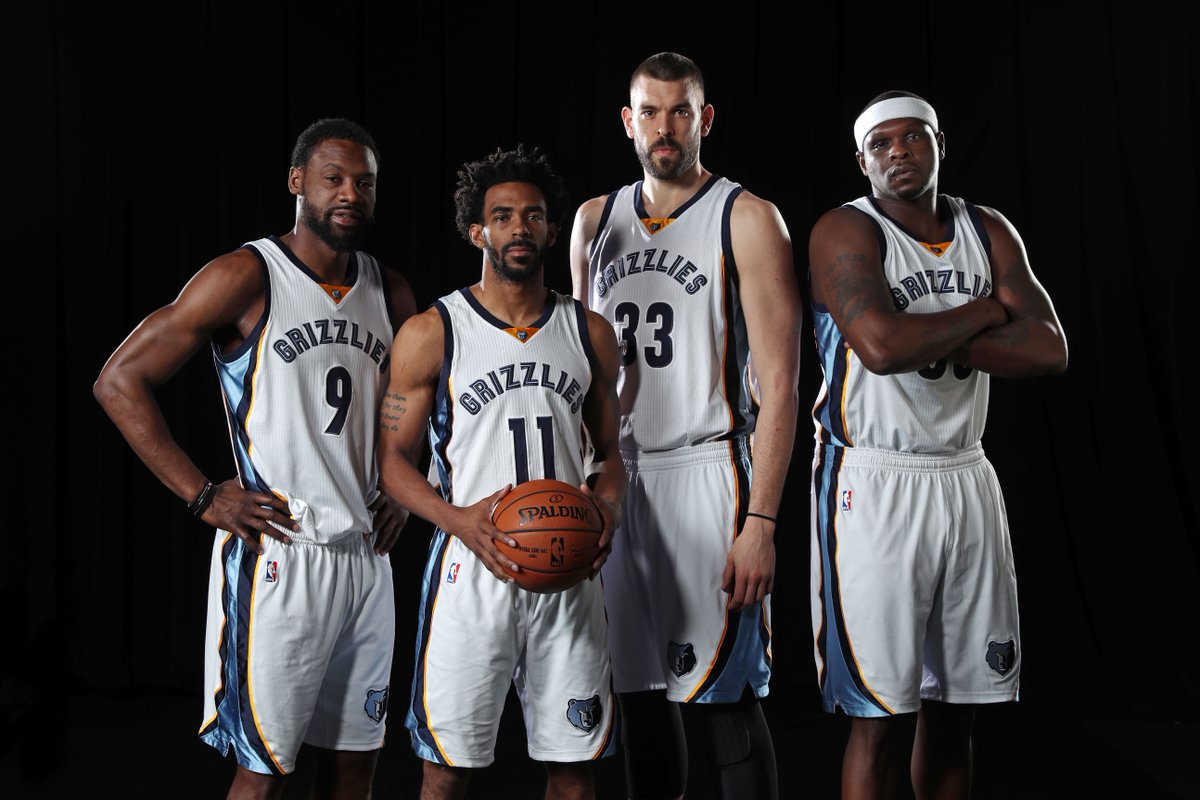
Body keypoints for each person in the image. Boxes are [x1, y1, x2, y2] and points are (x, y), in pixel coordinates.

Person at [93, 118, 417, 799]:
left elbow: (401, 413)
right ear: (297, 182)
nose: (349, 193)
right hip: (282, 552)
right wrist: (204, 495)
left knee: (358, 763)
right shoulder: (248, 274)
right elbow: (118, 381)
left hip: (366, 558)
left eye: (364, 182)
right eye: (333, 178)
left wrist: (404, 490)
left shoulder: (391, 292)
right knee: (262, 770)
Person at [807, 91, 1068, 799]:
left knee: (959, 712)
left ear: (940, 144)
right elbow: (883, 345)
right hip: (873, 481)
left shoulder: (988, 230)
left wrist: (937, 325)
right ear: (862, 160)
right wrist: (988, 311)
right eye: (882, 144)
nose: (899, 153)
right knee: (880, 719)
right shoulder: (844, 230)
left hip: (965, 472)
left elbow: (1049, 348)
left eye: (913, 138)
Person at [570, 52, 802, 800]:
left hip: (709, 474)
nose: (663, 128)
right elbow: (578, 372)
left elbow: (782, 384)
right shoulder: (592, 222)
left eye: (680, 111)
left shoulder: (749, 217)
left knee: (722, 707)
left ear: (704, 119)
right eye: (649, 111)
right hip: (617, 480)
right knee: (638, 701)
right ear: (627, 122)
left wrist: (761, 520)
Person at [377, 145, 626, 800]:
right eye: (505, 216)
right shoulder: (433, 331)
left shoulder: (589, 331)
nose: (521, 229)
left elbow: (611, 455)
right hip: (470, 570)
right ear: (476, 231)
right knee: (446, 771)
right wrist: (457, 520)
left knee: (574, 770)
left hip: (568, 574)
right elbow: (389, 461)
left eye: (535, 216)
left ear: (550, 227)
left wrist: (609, 510)